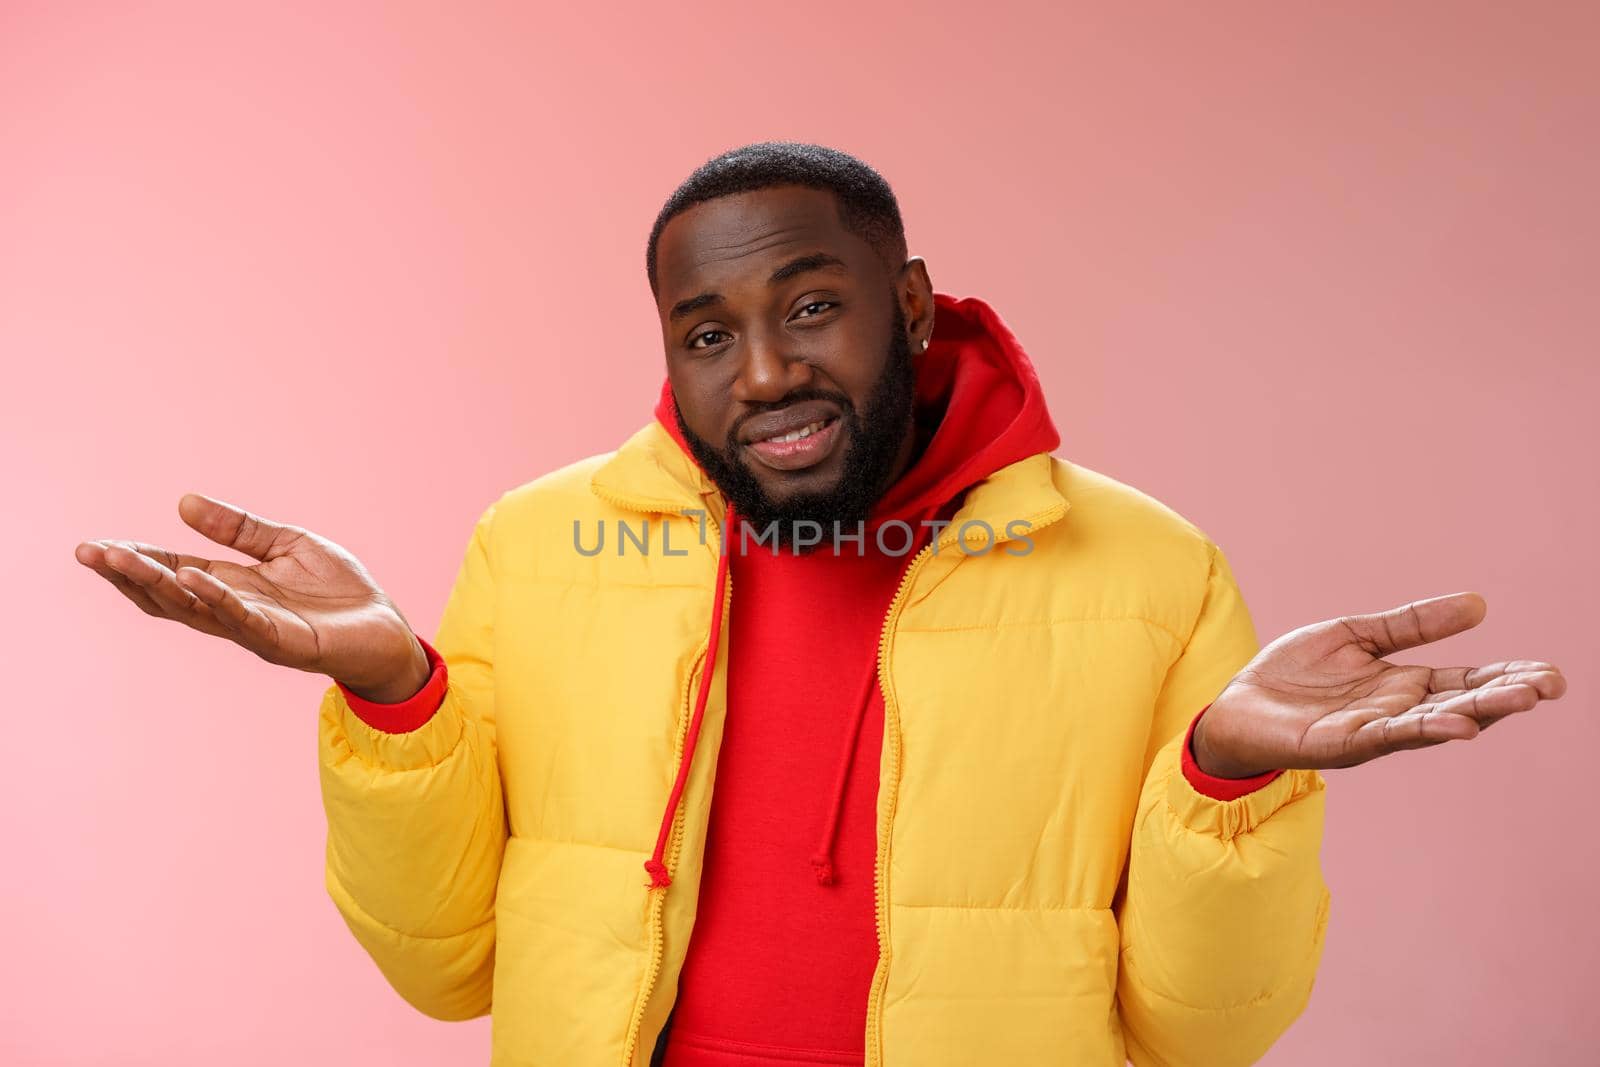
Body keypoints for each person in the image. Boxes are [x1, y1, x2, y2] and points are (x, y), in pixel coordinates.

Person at [75, 142, 1566, 1067]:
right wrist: (400, 699)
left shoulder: (1150, 570)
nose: (766, 374)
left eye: (810, 305)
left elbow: (1203, 1035)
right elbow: (448, 969)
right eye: (707, 331)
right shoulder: (539, 547)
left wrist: (1223, 785)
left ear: (910, 303)